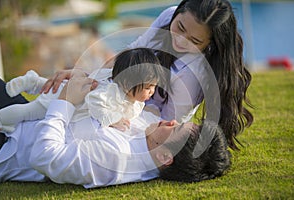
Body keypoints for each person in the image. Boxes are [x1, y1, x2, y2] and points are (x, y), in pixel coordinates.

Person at [41, 0, 254, 150]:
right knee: (57, 94)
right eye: (179, 27)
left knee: (67, 120)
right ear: (178, 12)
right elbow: (130, 53)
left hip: (139, 124)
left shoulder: (194, 77)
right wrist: (89, 77)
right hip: (122, 98)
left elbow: (162, 125)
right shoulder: (168, 15)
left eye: (194, 42)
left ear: (209, 45)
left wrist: (114, 116)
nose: (179, 41)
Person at [0, 75, 231, 188]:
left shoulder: (115, 160)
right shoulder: (147, 132)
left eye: (176, 128)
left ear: (165, 157)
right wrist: (80, 80)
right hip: (22, 117)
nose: (170, 121)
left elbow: (44, 155)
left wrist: (65, 101)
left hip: (6, 147)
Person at [0, 48, 165, 132]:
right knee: (30, 111)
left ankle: (34, 81)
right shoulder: (111, 92)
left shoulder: (117, 79)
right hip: (63, 101)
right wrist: (112, 119)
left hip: (71, 91)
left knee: (53, 87)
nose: (152, 92)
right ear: (128, 84)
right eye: (149, 88)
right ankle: (0, 118)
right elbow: (94, 101)